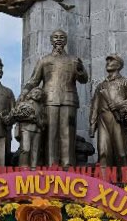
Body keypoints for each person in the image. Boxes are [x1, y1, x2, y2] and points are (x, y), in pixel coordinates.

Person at [22, 29, 89, 166]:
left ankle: (68, 165)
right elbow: (34, 80)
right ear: (51, 40)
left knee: (68, 133)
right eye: (56, 37)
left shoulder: (74, 59)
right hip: (49, 99)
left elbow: (84, 79)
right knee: (50, 133)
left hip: (69, 99)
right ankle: (50, 164)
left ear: (65, 41)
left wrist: (81, 69)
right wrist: (24, 93)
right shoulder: (45, 60)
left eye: (62, 37)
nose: (58, 39)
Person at [89, 54, 127, 167]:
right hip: (103, 121)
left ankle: (126, 182)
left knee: (122, 153)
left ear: (119, 64)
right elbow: (95, 106)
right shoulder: (101, 86)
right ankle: (104, 182)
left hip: (119, 120)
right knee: (103, 152)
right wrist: (92, 124)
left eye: (111, 60)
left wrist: (119, 104)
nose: (108, 62)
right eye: (107, 60)